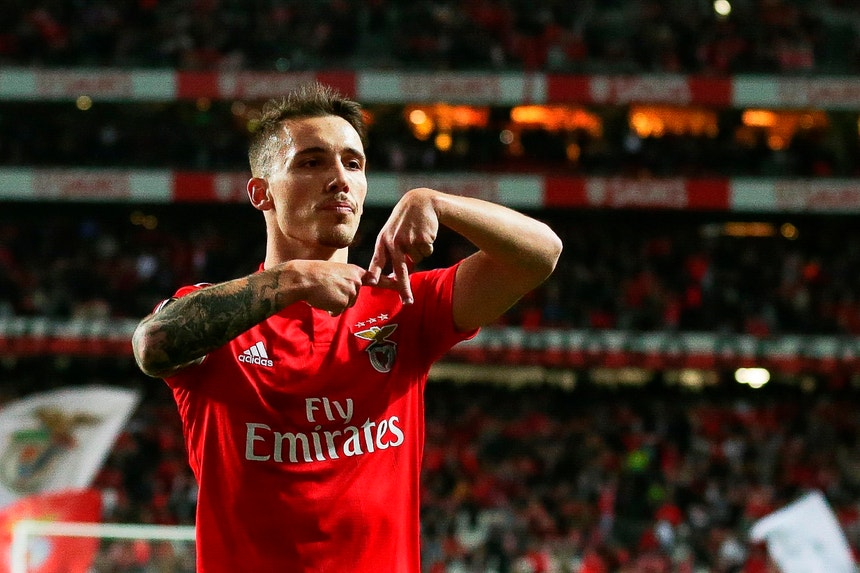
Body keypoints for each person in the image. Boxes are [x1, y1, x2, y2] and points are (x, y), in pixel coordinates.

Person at [132, 81, 562, 572]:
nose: (339, 179)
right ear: (261, 192)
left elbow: (541, 254)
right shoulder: (221, 316)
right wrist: (293, 280)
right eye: (311, 162)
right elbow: (154, 344)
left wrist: (439, 202)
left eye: (353, 164)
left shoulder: (404, 304)